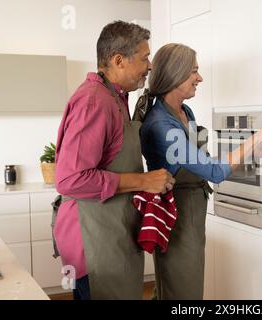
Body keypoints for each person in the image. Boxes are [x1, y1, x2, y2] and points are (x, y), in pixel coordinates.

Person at [139, 43, 262, 300]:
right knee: (181, 292)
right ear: (175, 74)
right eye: (194, 71)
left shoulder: (184, 111)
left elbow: (203, 160)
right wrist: (256, 137)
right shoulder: (160, 124)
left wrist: (254, 151)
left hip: (194, 211)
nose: (200, 78)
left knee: (188, 288)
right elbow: (214, 172)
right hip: (177, 215)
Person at [53, 21, 175, 300]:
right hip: (93, 243)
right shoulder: (94, 101)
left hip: (107, 234)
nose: (150, 66)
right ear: (119, 60)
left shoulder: (115, 97)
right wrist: (144, 180)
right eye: (145, 58)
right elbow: (70, 179)